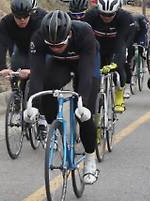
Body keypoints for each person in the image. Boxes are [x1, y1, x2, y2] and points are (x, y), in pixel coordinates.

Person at [24, 10, 101, 184]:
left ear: (69, 34)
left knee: (85, 111)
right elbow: (36, 74)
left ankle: (90, 160)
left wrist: (83, 101)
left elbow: (87, 74)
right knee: (48, 88)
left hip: (86, 62)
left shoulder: (85, 33)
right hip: (59, 63)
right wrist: (33, 105)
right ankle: (55, 127)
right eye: (52, 46)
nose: (56, 48)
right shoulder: (38, 37)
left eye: (60, 44)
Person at [84, 0, 135, 113]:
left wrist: (116, 61)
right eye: (103, 14)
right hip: (97, 46)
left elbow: (121, 42)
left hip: (116, 45)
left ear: (117, 10)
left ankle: (119, 96)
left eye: (110, 15)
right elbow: (86, 39)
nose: (107, 17)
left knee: (119, 67)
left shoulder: (124, 18)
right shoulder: (90, 16)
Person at [0, 0, 45, 106]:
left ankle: (37, 107)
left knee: (36, 78)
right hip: (21, 49)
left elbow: (40, 48)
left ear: (30, 13)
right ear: (13, 14)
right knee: (16, 67)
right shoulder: (6, 22)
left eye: (25, 17)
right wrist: (2, 67)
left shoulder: (38, 21)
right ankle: (17, 96)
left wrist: (32, 70)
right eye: (18, 17)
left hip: (38, 50)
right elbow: (2, 45)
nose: (22, 20)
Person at [125, 12, 149, 97]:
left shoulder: (142, 22)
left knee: (141, 47)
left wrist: (142, 45)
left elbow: (144, 34)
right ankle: (131, 63)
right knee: (130, 49)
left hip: (141, 32)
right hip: (131, 34)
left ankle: (143, 62)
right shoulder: (128, 23)